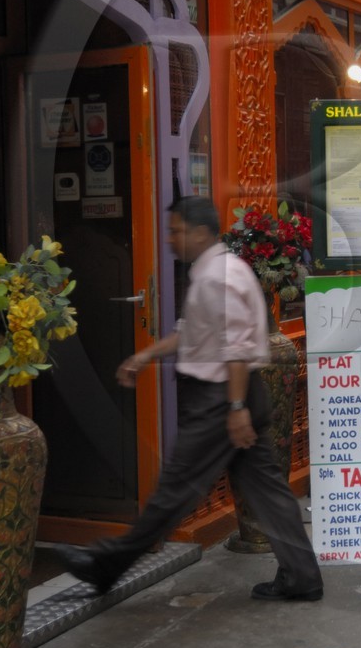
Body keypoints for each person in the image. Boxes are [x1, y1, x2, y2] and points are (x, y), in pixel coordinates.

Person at [58, 196, 323, 601]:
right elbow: (194, 334)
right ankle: (302, 577)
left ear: (201, 233)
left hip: (222, 400)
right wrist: (146, 355)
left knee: (174, 490)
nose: (170, 238)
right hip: (234, 395)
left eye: (177, 230)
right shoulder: (214, 271)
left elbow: (234, 347)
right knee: (267, 489)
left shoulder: (220, 277)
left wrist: (235, 409)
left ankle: (104, 568)